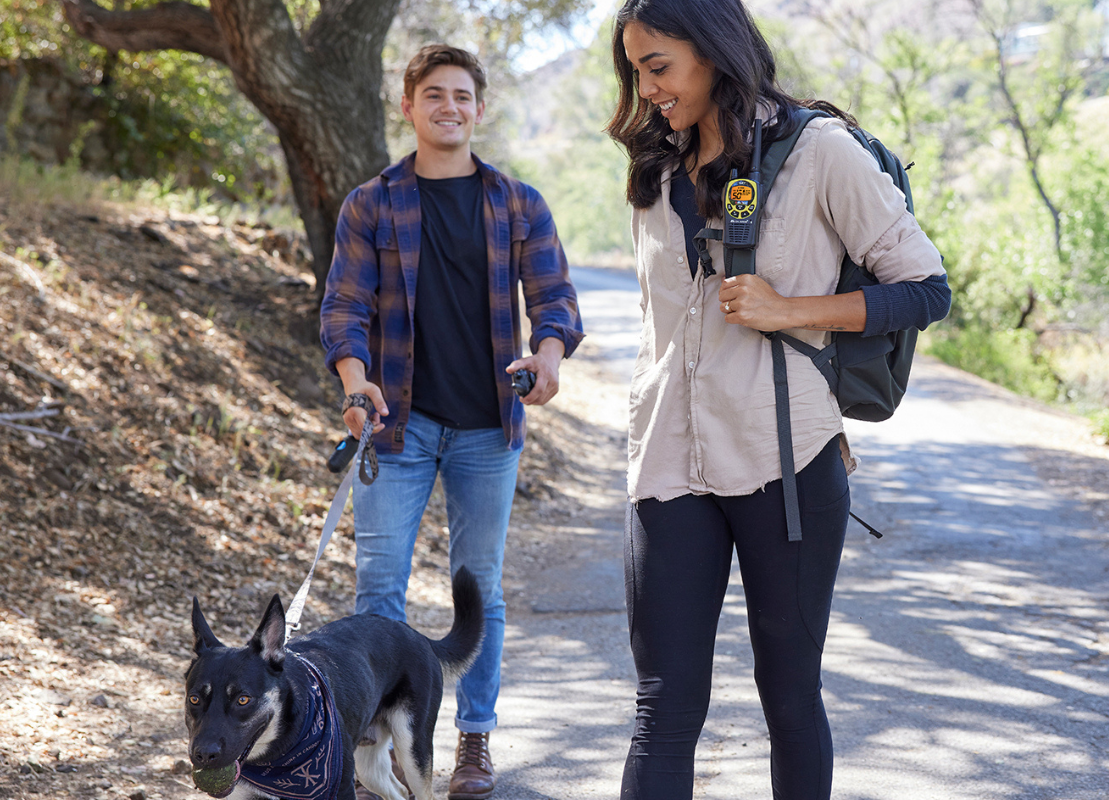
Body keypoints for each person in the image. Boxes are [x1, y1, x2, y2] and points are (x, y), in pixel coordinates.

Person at [605, 1, 951, 798]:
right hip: (667, 462)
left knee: (789, 698)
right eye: (636, 70)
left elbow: (927, 289)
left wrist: (791, 311)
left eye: (659, 65)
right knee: (662, 704)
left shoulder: (818, 152)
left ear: (716, 49)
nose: (647, 88)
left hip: (785, 462)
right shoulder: (654, 167)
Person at [320, 43, 584, 800]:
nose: (449, 107)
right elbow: (344, 308)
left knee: (482, 591)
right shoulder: (372, 203)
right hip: (396, 429)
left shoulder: (518, 203)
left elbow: (555, 298)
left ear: (478, 107)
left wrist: (551, 356)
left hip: (487, 429)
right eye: (433, 94)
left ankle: (472, 742)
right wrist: (355, 380)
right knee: (379, 591)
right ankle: (372, 755)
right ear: (409, 107)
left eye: (462, 95)